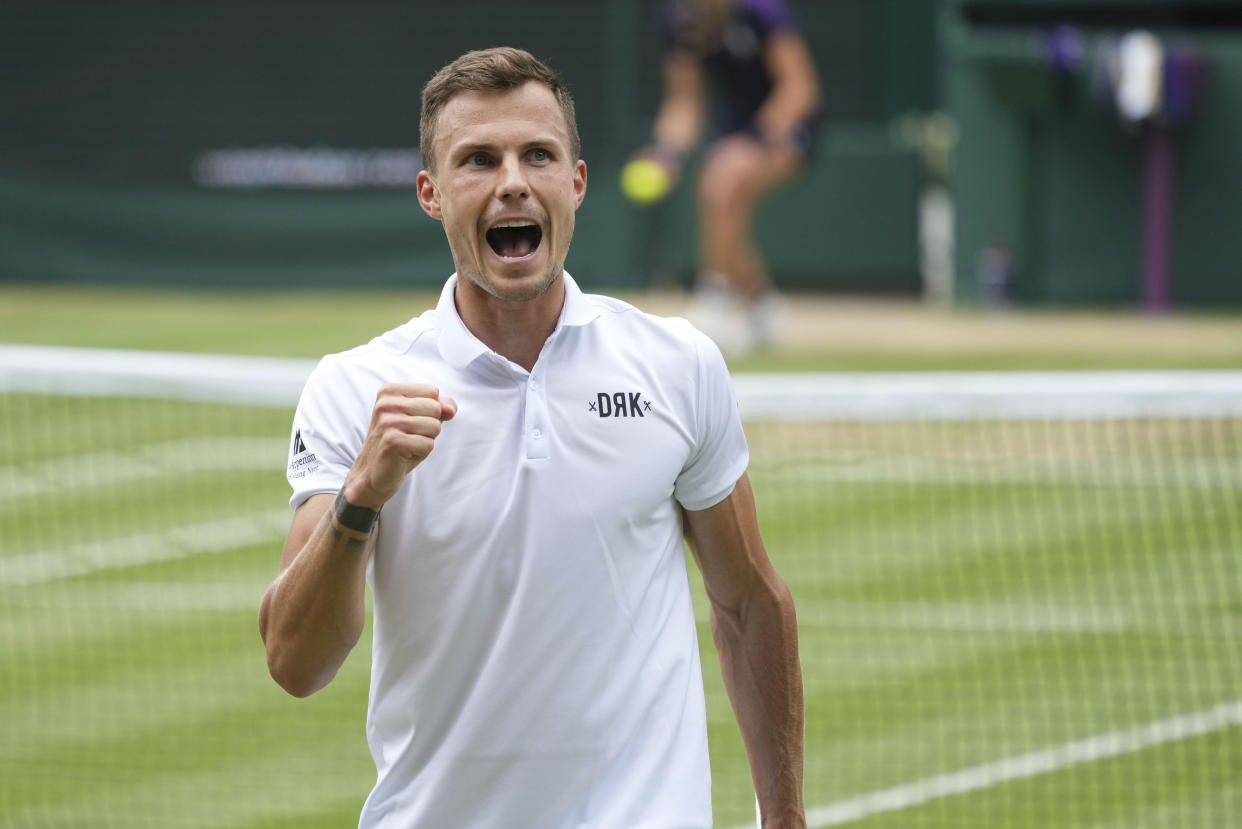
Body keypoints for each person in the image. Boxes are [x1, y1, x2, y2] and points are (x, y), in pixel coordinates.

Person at [259, 47, 804, 828]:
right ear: (432, 194)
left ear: (575, 183)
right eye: (478, 160)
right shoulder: (355, 387)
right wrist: (362, 495)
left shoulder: (677, 365)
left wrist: (784, 816)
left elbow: (750, 604)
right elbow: (296, 663)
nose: (512, 180)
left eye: (537, 155)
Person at [633, 0, 821, 356]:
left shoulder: (763, 10)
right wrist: (665, 153)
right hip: (733, 129)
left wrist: (754, 140)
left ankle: (713, 306)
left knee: (721, 179)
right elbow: (685, 101)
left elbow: (800, 89)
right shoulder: (679, 17)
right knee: (724, 197)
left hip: (789, 123)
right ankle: (764, 309)